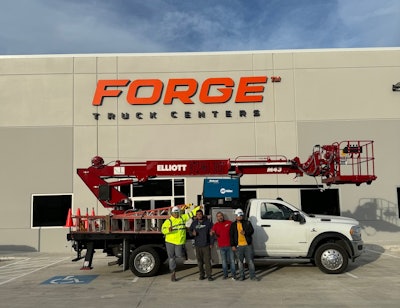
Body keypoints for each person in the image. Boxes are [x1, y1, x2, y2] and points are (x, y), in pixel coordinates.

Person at [161, 204, 200, 282]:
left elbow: (191, 213)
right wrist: (168, 230)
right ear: (172, 213)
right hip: (170, 242)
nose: (176, 214)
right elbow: (163, 230)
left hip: (179, 242)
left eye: (177, 213)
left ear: (179, 213)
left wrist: (198, 207)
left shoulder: (182, 218)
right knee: (171, 258)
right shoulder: (169, 221)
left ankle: (183, 253)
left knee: (179, 255)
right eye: (174, 213)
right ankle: (173, 273)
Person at [230, 208, 259, 281]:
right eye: (238, 216)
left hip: (247, 245)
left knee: (250, 261)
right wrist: (233, 245)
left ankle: (253, 277)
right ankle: (242, 276)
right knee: (240, 262)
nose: (239, 217)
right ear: (236, 216)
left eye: (240, 216)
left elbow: (251, 231)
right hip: (238, 246)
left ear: (242, 216)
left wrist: (245, 232)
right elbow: (231, 236)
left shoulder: (247, 223)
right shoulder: (233, 225)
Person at [189, 209, 214, 281]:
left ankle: (209, 275)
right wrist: (192, 234)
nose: (199, 215)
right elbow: (190, 231)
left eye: (200, 214)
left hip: (206, 245)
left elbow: (211, 233)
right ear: (196, 216)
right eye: (197, 214)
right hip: (198, 245)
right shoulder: (194, 223)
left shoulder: (208, 222)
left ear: (202, 215)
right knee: (200, 262)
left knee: (207, 261)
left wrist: (211, 243)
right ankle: (202, 275)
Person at [211, 211, 236, 280]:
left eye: (221, 215)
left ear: (223, 216)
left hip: (230, 245)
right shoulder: (215, 225)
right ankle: (225, 275)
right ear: (217, 218)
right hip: (222, 246)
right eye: (218, 216)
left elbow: (234, 231)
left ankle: (234, 275)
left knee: (232, 261)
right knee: (224, 261)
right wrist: (212, 233)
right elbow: (212, 232)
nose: (220, 217)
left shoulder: (229, 223)